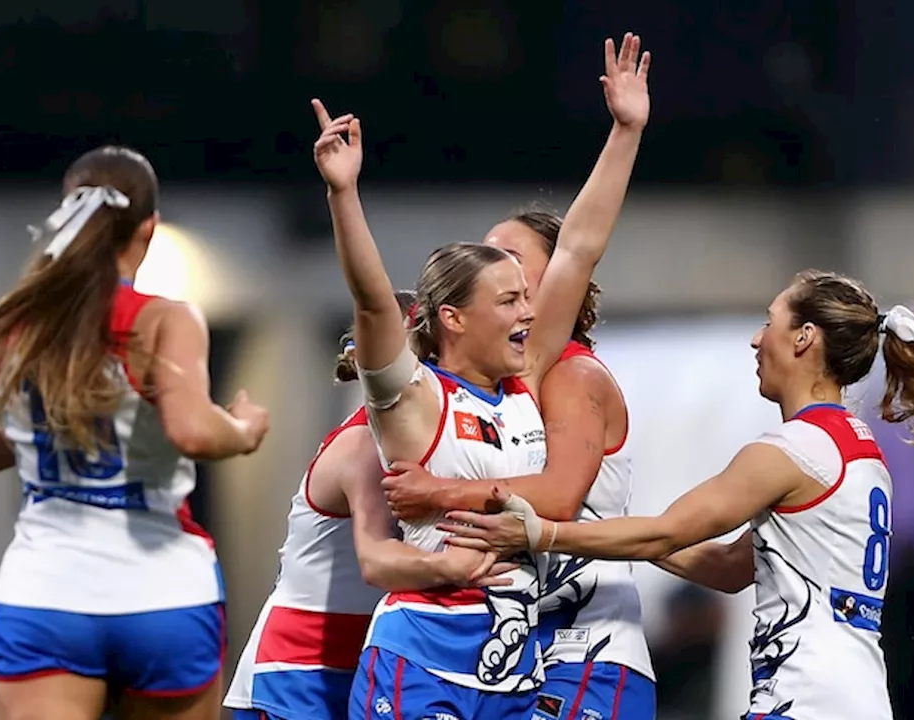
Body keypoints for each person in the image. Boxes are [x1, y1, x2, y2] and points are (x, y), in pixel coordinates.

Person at [441, 233, 914, 720]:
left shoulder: (790, 451)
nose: (755, 339)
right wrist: (610, 527)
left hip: (807, 698)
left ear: (804, 338)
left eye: (768, 322)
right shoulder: (853, 449)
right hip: (853, 694)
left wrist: (540, 532)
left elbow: (667, 532)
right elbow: (728, 566)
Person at [312, 31, 651, 720]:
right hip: (423, 652)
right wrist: (344, 194)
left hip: (513, 661)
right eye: (511, 299)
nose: (533, 306)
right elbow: (375, 301)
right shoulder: (413, 400)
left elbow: (578, 248)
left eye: (530, 295)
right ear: (455, 320)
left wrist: (625, 130)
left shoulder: (525, 382)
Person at [0, 146, 270, 720]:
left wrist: (49, 436)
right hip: (163, 594)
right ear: (148, 230)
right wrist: (244, 427)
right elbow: (195, 433)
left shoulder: (9, 323)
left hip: (45, 597)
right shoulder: (163, 320)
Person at [380, 208, 656, 720]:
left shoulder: (570, 375)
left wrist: (439, 491)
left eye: (510, 257)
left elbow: (556, 498)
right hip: (526, 647)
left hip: (587, 647)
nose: (493, 264)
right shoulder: (499, 389)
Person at [225, 291, 504, 720]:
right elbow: (375, 562)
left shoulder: (436, 444)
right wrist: (459, 566)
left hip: (365, 657)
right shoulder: (363, 447)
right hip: (300, 669)